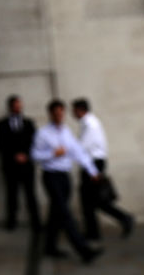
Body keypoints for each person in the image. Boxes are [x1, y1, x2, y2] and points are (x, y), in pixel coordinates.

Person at [31, 99, 102, 263]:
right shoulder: (43, 133)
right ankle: (84, 250)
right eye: (56, 113)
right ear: (50, 114)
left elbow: (78, 152)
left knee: (56, 213)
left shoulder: (66, 132)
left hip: (65, 177)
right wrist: (52, 154)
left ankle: (49, 247)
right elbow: (34, 155)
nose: (59, 115)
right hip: (51, 176)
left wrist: (92, 170)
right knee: (65, 213)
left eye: (61, 112)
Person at [71, 98, 135, 241]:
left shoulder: (89, 124)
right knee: (91, 201)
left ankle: (123, 218)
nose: (72, 113)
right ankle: (96, 231)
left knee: (93, 200)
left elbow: (82, 147)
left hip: (93, 163)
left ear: (80, 109)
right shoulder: (88, 123)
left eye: (74, 110)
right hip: (93, 163)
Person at [0, 95, 40, 230]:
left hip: (27, 164)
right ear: (10, 107)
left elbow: (35, 142)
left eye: (20, 105)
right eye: (15, 105)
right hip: (11, 165)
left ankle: (36, 222)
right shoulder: (2, 124)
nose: (18, 108)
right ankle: (11, 221)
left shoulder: (28, 123)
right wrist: (14, 155)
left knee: (30, 194)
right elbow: (0, 144)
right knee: (11, 194)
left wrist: (26, 155)